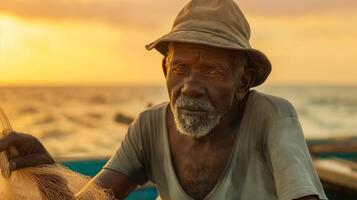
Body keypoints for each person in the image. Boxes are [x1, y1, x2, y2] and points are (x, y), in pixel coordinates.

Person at [0, 0, 327, 199]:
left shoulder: (272, 118)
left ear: (243, 82)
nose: (189, 87)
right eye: (180, 68)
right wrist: (46, 172)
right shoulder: (148, 126)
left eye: (211, 71)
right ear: (164, 68)